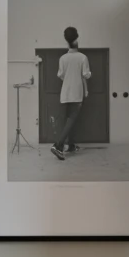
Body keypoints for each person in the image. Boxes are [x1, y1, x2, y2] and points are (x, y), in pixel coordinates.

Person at [50, 26, 90, 161]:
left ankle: (71, 145)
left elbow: (60, 75)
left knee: (67, 121)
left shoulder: (62, 58)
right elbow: (86, 75)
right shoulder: (82, 57)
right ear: (77, 38)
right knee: (71, 120)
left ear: (66, 40)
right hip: (76, 93)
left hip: (65, 93)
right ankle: (58, 145)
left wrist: (68, 78)